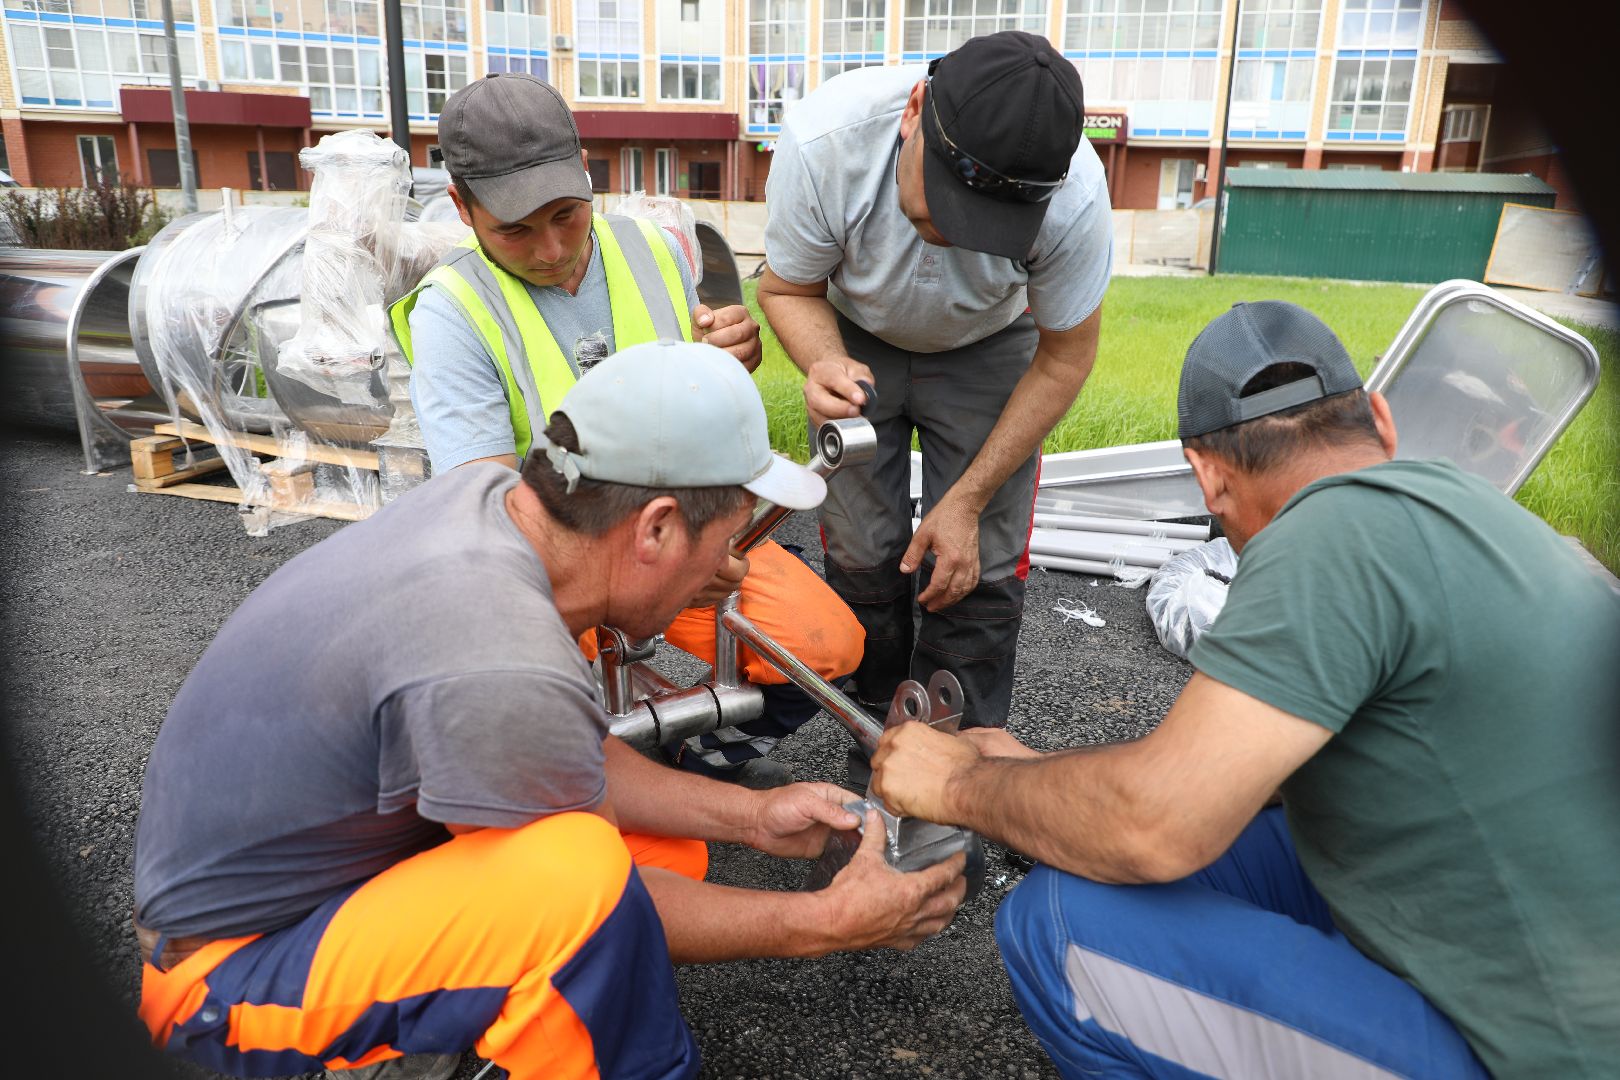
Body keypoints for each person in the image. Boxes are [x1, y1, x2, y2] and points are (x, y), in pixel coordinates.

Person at [131, 342, 967, 1080]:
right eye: (730, 543)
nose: (735, 571)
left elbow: (566, 758)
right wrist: (824, 923)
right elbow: (601, 904)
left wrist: (752, 816)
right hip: (223, 981)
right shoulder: (498, 649)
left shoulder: (490, 510)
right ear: (657, 528)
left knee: (657, 847)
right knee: (581, 884)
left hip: (296, 886)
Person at [869, 302, 1620, 1078]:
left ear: (1207, 476)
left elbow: (1154, 827)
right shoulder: (1488, 520)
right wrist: (1031, 782)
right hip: (1552, 947)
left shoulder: (1327, 536)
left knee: (1057, 925)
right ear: (1382, 423)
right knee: (1172, 837)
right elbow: (1226, 781)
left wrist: (959, 780)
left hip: (1548, 1054)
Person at [391, 72, 862, 788]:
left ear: (586, 173)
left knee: (829, 642)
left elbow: (695, 397)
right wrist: (646, 578)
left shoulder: (656, 248)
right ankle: (593, 771)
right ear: (462, 206)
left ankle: (688, 759)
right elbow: (486, 517)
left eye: (566, 215)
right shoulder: (452, 312)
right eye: (514, 229)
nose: (549, 249)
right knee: (537, 722)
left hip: (681, 524)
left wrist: (735, 357)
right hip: (555, 562)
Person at [756, 31, 1113, 754]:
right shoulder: (826, 142)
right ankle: (881, 733)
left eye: (982, 227)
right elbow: (787, 286)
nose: (948, 238)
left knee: (972, 560)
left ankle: (959, 757)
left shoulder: (1075, 198)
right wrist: (824, 362)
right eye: (935, 209)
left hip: (993, 345)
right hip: (852, 330)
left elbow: (1066, 356)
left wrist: (969, 499)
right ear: (914, 109)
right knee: (863, 554)